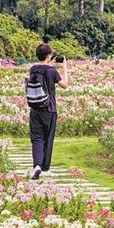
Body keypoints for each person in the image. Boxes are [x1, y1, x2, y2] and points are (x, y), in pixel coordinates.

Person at [27, 43, 68, 180]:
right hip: (49, 109)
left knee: (37, 139)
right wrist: (64, 66)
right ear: (49, 56)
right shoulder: (52, 71)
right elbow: (65, 85)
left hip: (35, 109)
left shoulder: (33, 69)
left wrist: (50, 64)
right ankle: (45, 168)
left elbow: (42, 70)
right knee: (48, 139)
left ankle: (37, 165)